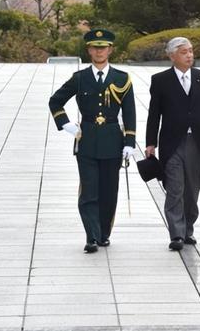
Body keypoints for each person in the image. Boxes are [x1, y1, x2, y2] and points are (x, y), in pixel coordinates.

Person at [49, 28, 136, 253]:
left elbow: (130, 112)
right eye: (95, 48)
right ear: (88, 50)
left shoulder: (122, 79)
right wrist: (66, 124)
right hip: (86, 141)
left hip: (112, 141)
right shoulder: (80, 79)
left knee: (108, 191)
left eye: (103, 47)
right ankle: (91, 236)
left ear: (110, 50)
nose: (99, 51)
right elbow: (55, 101)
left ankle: (104, 233)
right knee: (89, 191)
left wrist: (129, 142)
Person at [145, 37, 200, 251]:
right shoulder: (160, 80)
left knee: (191, 190)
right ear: (172, 56)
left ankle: (188, 228)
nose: (189, 55)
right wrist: (150, 142)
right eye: (184, 52)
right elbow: (154, 114)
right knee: (175, 189)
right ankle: (176, 234)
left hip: (197, 143)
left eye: (191, 51)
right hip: (172, 143)